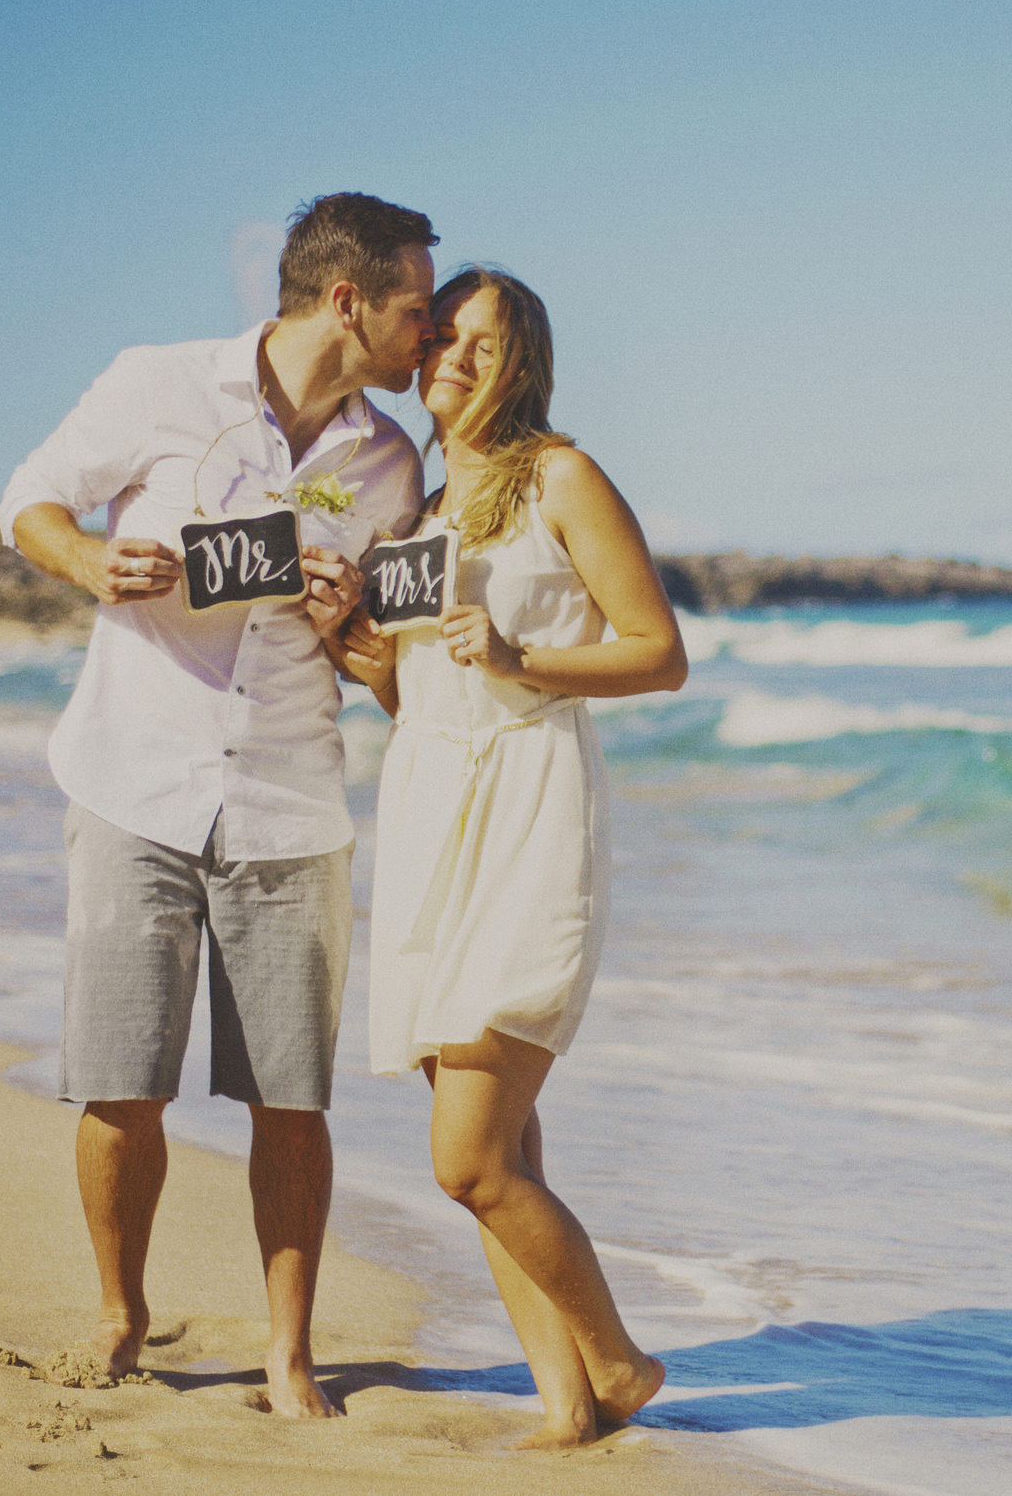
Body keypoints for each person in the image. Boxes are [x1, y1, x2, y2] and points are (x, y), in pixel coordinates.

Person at [0, 193, 437, 1417]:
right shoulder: (159, 382)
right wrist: (91, 561)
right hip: (135, 774)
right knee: (119, 1074)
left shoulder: (391, 461)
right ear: (347, 301)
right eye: (414, 306)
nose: (430, 330)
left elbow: (387, 659)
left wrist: (353, 619)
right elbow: (24, 498)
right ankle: (119, 1315)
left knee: (289, 1096)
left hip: (293, 801)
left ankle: (289, 1353)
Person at [336, 266, 687, 1447]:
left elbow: (657, 653)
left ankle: (620, 1361)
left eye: (485, 344)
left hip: (531, 813)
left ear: (521, 362)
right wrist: (369, 658)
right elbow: (420, 696)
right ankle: (566, 1408)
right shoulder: (418, 515)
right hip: (432, 813)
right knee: (508, 1141)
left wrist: (521, 648)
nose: (457, 358)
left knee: (469, 1156)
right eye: (443, 337)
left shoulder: (562, 477)